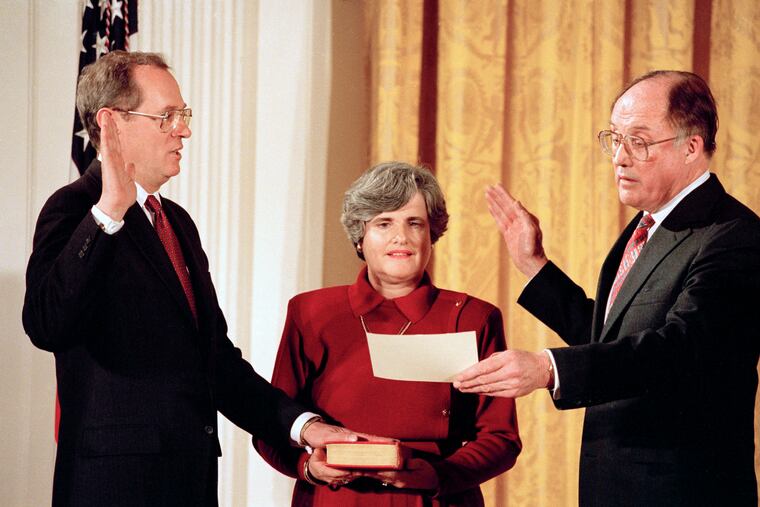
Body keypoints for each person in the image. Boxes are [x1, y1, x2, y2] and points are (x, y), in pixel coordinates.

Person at [22, 50, 363, 506]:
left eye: (182, 115)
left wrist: (304, 426)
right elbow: (46, 324)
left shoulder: (176, 222)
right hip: (113, 488)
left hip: (191, 482)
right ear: (112, 123)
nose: (183, 129)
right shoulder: (74, 210)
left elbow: (216, 362)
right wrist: (107, 215)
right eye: (166, 116)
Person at [454, 70, 760, 506]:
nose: (619, 156)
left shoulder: (734, 234)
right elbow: (611, 339)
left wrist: (549, 369)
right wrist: (534, 266)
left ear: (691, 146)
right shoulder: (647, 226)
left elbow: (681, 349)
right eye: (614, 138)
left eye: (639, 141)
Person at [254, 162, 522, 506]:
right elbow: (271, 423)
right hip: (333, 499)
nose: (402, 237)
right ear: (359, 237)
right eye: (384, 223)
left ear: (432, 236)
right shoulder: (310, 312)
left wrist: (439, 476)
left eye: (415, 223)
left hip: (436, 498)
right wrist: (308, 467)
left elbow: (501, 438)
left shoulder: (474, 318)